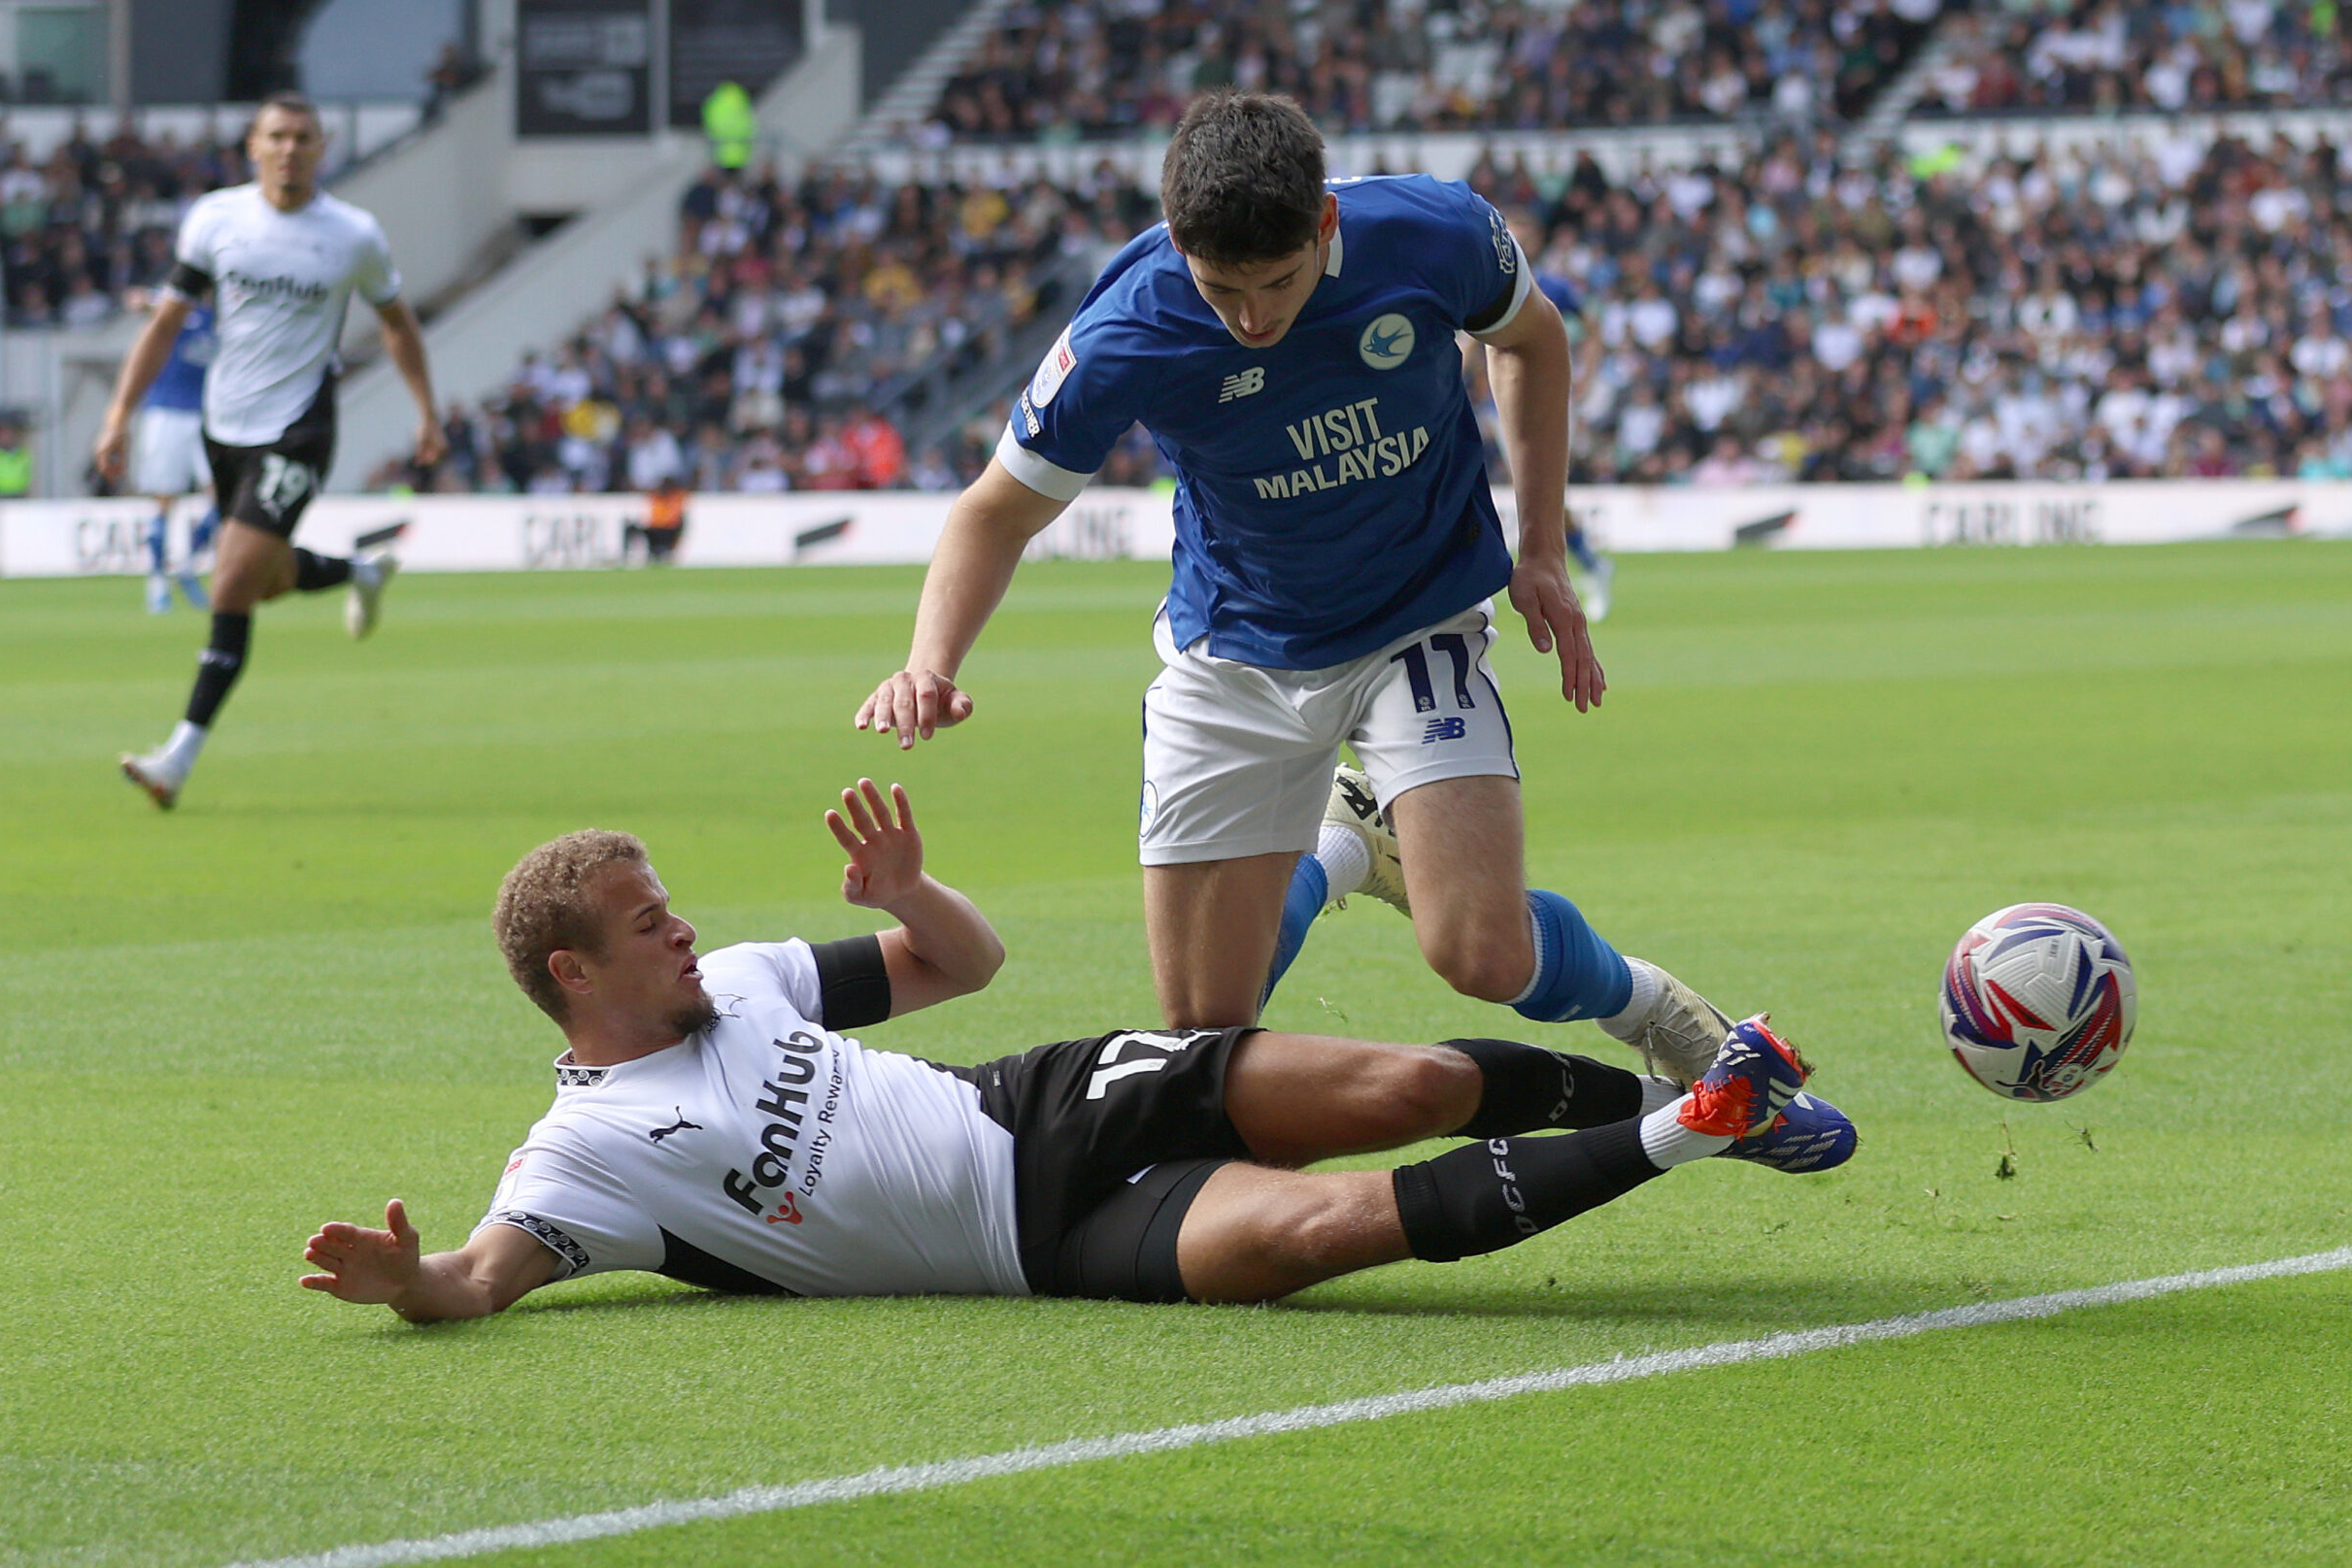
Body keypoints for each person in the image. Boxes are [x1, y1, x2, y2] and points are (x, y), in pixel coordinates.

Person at [854, 91, 1736, 1086]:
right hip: (1234, 646)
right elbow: (992, 512)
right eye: (1220, 287)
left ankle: (1647, 1005)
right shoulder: (1126, 330)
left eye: (1275, 282)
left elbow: (1530, 341)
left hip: (1418, 616)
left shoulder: (1434, 234)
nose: (1250, 316)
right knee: (1203, 1030)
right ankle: (1344, 847)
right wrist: (930, 662)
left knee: (1479, 953)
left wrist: (1540, 550)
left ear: (1323, 223)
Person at [298, 781, 1856, 1320]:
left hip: (1049, 1092)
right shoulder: (579, 1158)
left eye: (672, 906)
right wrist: (409, 1281)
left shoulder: (756, 982)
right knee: (1325, 1228)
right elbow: (485, 1275)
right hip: (1049, 1240)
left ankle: (1677, 1087)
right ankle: (1694, 1124)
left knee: (1416, 1085)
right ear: (575, 973)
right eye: (650, 925)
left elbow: (959, 965)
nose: (685, 931)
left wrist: (909, 896)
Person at [95, 92, 446, 810]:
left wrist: (426, 412)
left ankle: (177, 757)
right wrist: (118, 414)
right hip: (223, 425)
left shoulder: (352, 234)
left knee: (229, 587)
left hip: (299, 428)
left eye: (304, 137)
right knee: (265, 578)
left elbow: (398, 326)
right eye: (277, 136)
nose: (290, 148)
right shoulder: (217, 219)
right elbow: (164, 323)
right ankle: (357, 571)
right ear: (252, 147)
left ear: (324, 147)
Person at [120, 285, 219, 614]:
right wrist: (143, 303)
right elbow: (142, 301)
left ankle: (188, 566)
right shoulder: (176, 306)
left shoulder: (219, 319)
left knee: (221, 497)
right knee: (165, 498)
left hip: (206, 414)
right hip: (167, 412)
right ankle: (158, 579)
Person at [623, 472, 689, 564]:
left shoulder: (676, 497)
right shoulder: (655, 496)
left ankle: (663, 550)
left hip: (667, 530)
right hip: (653, 528)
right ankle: (625, 556)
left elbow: (673, 518)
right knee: (630, 527)